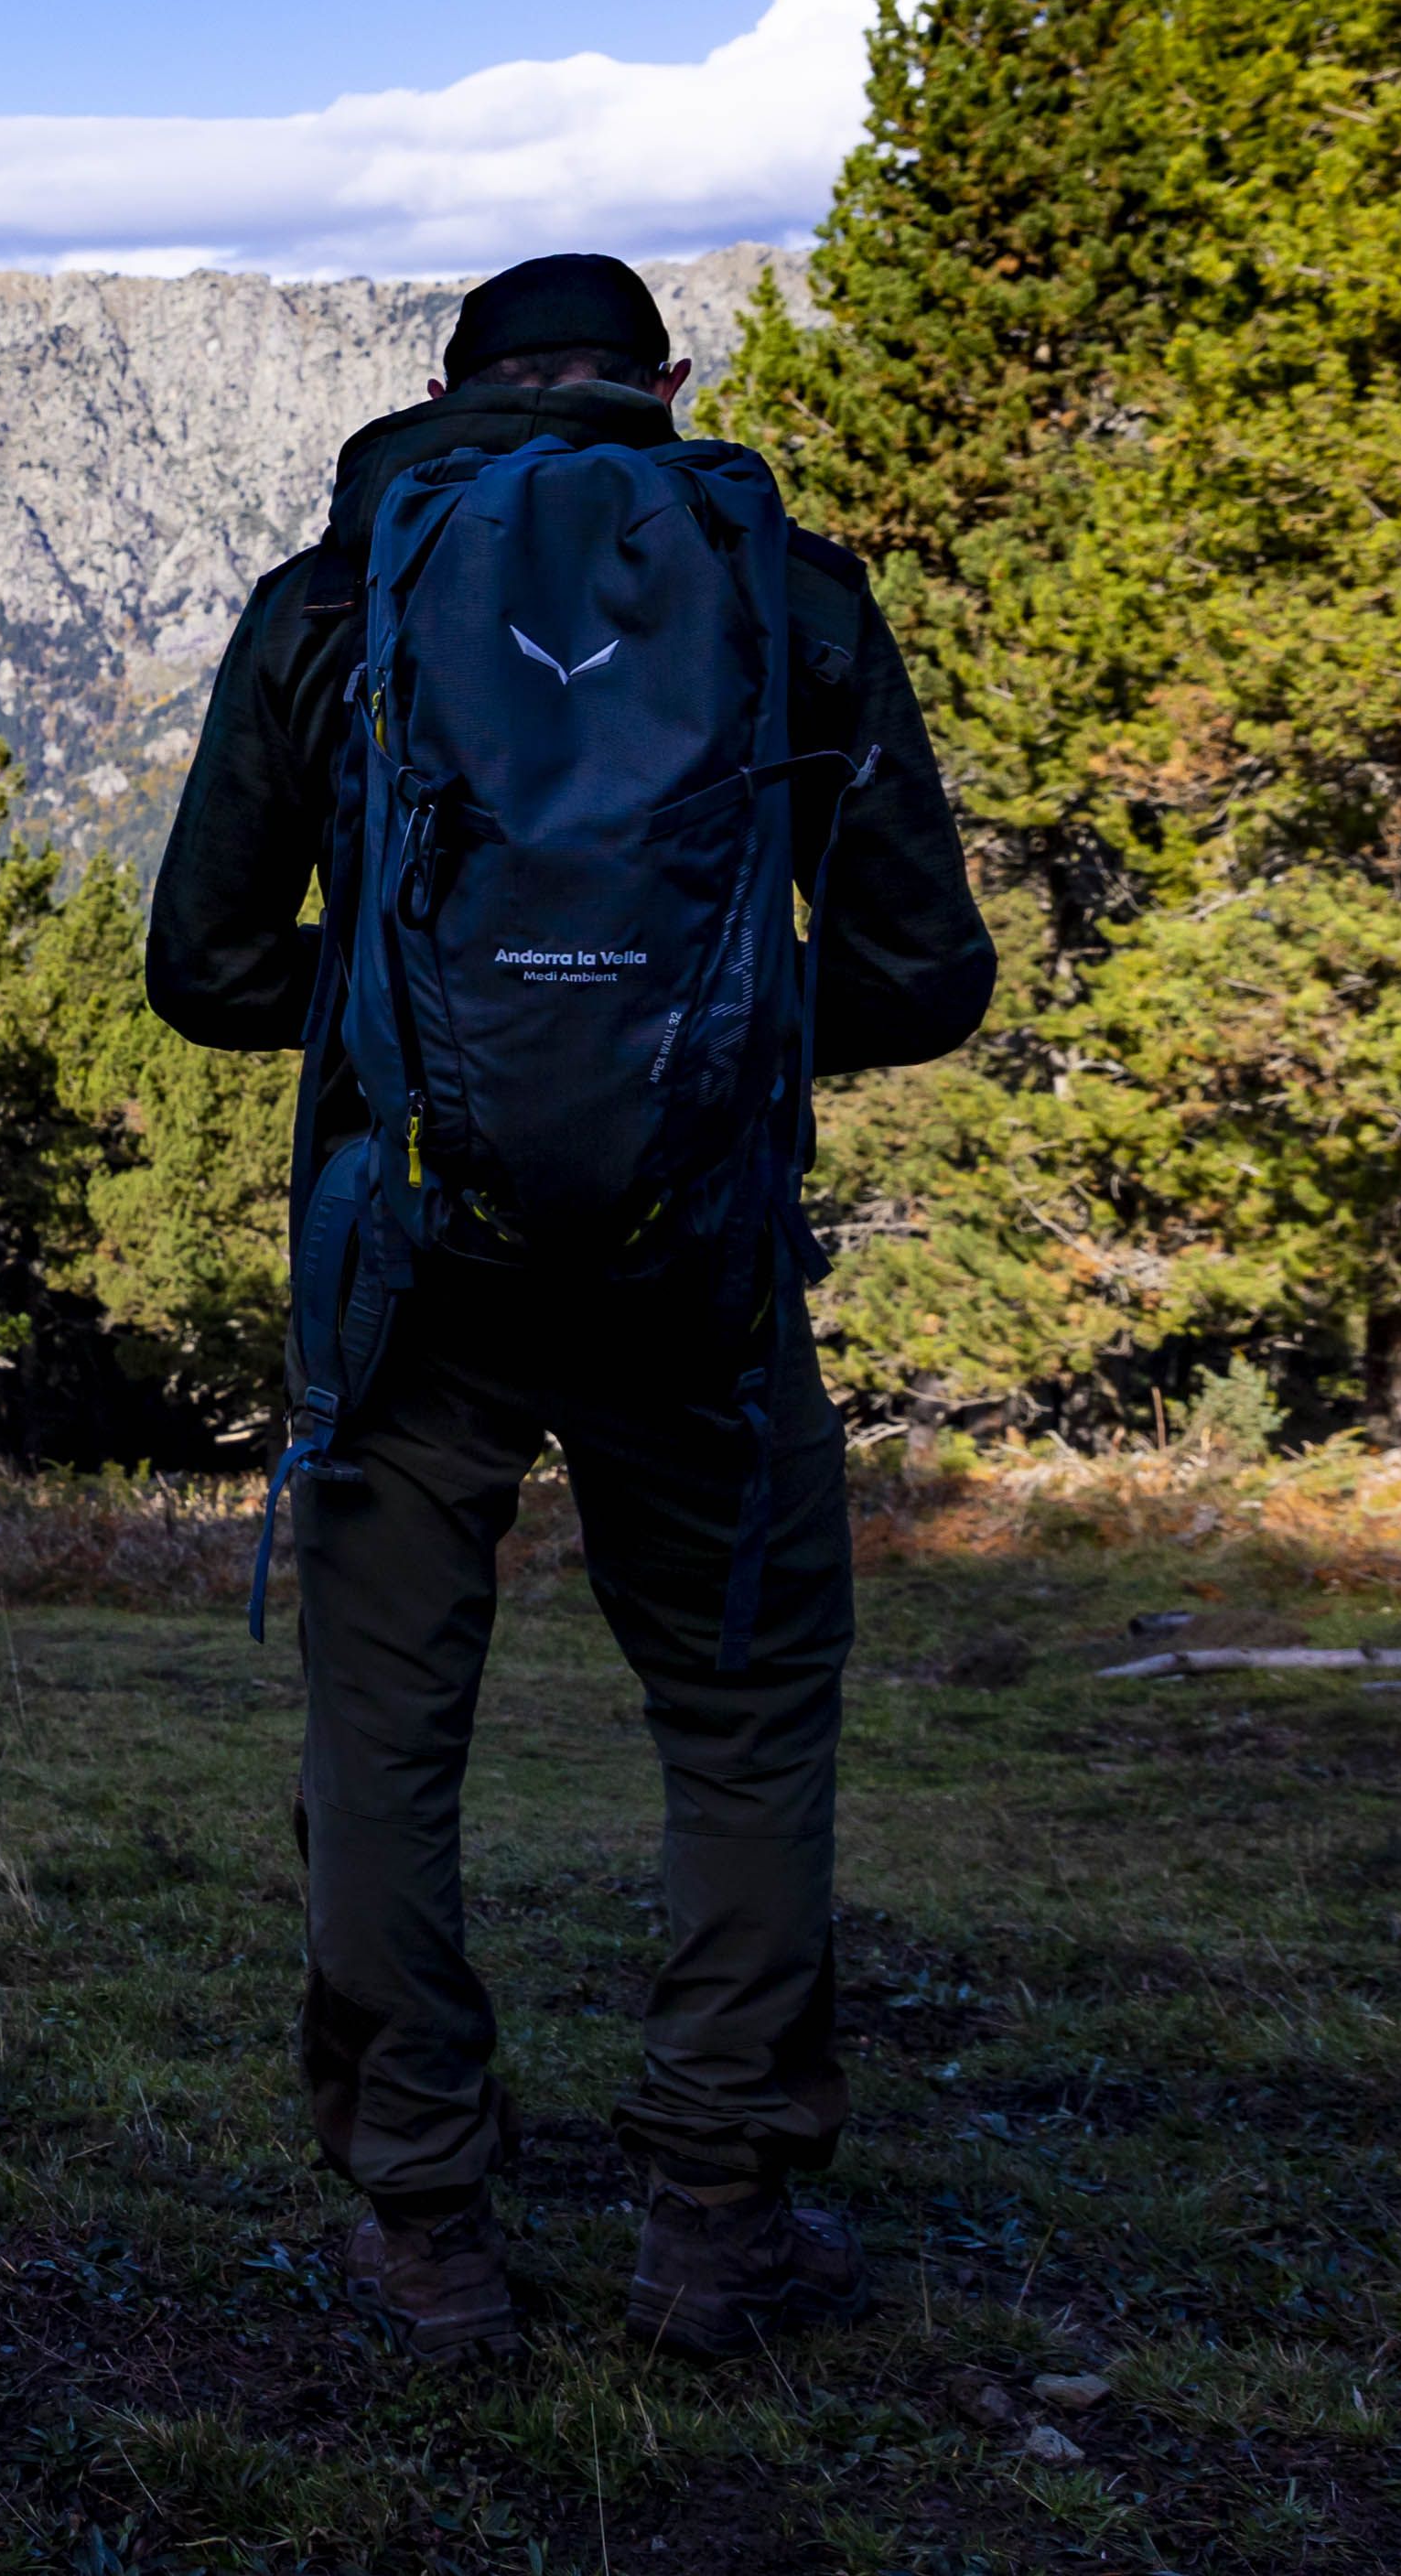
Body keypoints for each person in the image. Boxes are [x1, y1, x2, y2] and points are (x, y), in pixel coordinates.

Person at [145, 252, 993, 2361]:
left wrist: (408, 1028)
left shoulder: (330, 604)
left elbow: (202, 969)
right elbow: (922, 976)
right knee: (740, 1718)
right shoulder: (785, 595)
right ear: (661, 382)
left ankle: (427, 2225)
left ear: (448, 388)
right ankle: (713, 2212)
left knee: (380, 1735)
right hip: (687, 1261)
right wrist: (692, 1048)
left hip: (408, 1261)